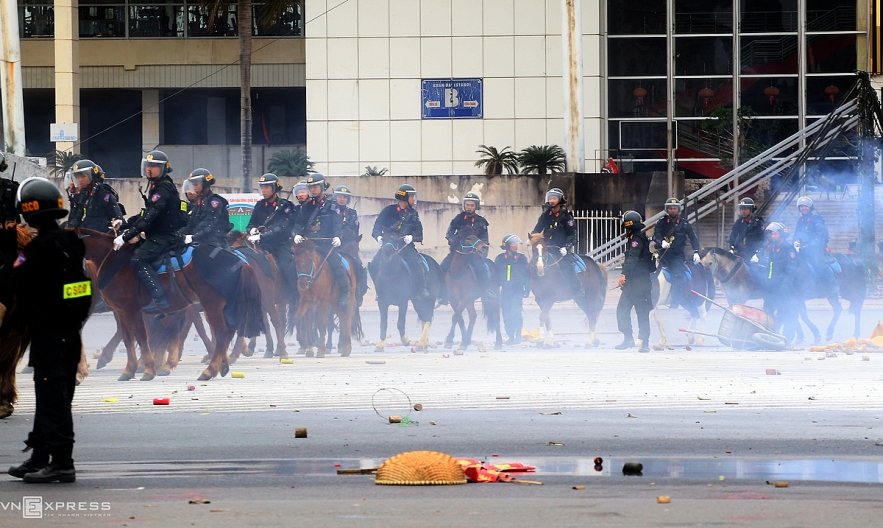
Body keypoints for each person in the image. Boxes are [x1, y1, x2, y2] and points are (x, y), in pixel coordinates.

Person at [2, 177, 92, 483]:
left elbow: (19, 288)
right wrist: (72, 319)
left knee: (52, 399)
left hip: (48, 335)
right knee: (52, 396)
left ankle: (62, 463)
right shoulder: (72, 243)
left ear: (29, 213)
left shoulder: (38, 249)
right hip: (69, 333)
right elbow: (81, 292)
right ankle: (39, 456)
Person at [113, 150, 186, 312]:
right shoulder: (156, 187)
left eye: (154, 166)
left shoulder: (163, 189)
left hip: (164, 236)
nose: (149, 169)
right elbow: (144, 214)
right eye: (148, 165)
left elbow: (149, 218)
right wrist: (123, 223)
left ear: (164, 169)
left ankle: (159, 299)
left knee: (138, 260)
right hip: (157, 234)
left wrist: (125, 237)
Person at [293, 173, 351, 307]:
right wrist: (296, 233)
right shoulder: (307, 206)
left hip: (326, 244)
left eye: (315, 187)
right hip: (308, 245)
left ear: (323, 187)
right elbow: (298, 223)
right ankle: (294, 293)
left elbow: (337, 223)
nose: (312, 190)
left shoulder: (332, 205)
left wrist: (338, 237)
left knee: (337, 265)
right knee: (293, 265)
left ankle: (344, 292)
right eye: (310, 187)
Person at [371, 184, 429, 297]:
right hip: (389, 245)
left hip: (405, 246)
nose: (414, 199)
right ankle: (379, 290)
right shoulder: (388, 211)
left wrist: (412, 238)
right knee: (373, 264)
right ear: (405, 198)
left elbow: (419, 233)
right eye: (412, 196)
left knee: (417, 263)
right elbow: (377, 225)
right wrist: (378, 236)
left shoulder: (414, 214)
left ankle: (420, 288)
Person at [246, 173, 297, 300]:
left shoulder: (285, 206)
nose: (264, 190)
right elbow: (250, 224)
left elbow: (280, 228)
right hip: (261, 245)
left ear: (275, 188)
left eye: (267, 187)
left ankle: (294, 296)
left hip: (279, 244)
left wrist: (262, 237)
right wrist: (252, 230)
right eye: (262, 187)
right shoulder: (259, 205)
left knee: (287, 267)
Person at [438, 192, 494, 304]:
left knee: (481, 267)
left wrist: (480, 245)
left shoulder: (481, 221)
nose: (469, 207)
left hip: (473, 253)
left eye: (472, 205)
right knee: (443, 267)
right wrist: (454, 241)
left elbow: (484, 238)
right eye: (467, 205)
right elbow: (449, 233)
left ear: (476, 206)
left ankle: (485, 291)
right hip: (458, 251)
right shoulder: (458, 219)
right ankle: (443, 294)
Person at [530, 188, 584, 298]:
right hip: (546, 248)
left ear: (560, 200)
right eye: (550, 198)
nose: (552, 201)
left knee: (567, 266)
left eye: (554, 198)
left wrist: (566, 247)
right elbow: (537, 230)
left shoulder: (566, 216)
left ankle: (577, 289)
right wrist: (531, 238)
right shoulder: (545, 215)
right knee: (533, 264)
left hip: (561, 249)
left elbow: (572, 234)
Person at [749, 222, 797, 342]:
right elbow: (771, 268)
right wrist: (756, 264)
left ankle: (787, 340)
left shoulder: (788, 250)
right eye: (771, 234)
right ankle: (770, 337)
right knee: (767, 314)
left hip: (784, 290)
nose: (772, 237)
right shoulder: (773, 249)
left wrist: (782, 288)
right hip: (772, 288)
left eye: (775, 234)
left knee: (787, 314)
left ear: (781, 235)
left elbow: (790, 271)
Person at [652, 198, 701, 309]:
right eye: (670, 208)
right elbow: (655, 235)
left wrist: (696, 252)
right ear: (667, 209)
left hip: (676, 257)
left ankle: (675, 301)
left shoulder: (684, 224)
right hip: (662, 255)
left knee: (678, 276)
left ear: (678, 210)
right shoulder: (662, 222)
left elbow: (693, 238)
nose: (672, 210)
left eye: (674, 208)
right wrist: (662, 241)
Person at [615, 211, 653, 353]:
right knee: (622, 310)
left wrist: (623, 274)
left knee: (642, 312)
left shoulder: (637, 239)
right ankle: (628, 338)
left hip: (640, 282)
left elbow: (632, 258)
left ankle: (645, 342)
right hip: (631, 283)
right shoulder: (633, 237)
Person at [792, 196, 837, 295]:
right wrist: (795, 242)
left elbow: (823, 235)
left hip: (816, 249)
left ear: (810, 207)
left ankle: (833, 285)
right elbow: (796, 234)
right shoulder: (800, 221)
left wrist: (811, 245)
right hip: (802, 250)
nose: (803, 208)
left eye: (805, 206)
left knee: (818, 263)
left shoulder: (816, 220)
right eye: (801, 206)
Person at [331, 184, 368, 306]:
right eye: (339, 196)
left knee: (359, 266)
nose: (342, 199)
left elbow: (354, 230)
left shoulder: (352, 213)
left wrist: (343, 232)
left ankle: (358, 292)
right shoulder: (329, 211)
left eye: (344, 197)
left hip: (348, 245)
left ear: (348, 199)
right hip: (331, 244)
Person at [180, 168, 232, 248]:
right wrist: (178, 235)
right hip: (201, 238)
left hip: (215, 240)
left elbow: (209, 225)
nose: (193, 188)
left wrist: (193, 237)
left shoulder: (214, 202)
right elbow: (191, 224)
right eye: (192, 185)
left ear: (205, 185)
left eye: (196, 185)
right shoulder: (200, 201)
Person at [68, 160, 124, 232]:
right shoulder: (82, 194)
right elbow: (76, 217)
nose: (80, 180)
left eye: (83, 176)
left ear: (92, 175)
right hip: (86, 234)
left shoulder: (103, 192)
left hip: (102, 236)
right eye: (77, 177)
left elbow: (117, 218)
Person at [494, 234, 530, 344]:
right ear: (507, 246)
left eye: (516, 244)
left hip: (517, 290)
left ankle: (518, 335)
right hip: (505, 291)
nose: (516, 246)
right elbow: (495, 276)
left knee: (516, 312)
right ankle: (510, 336)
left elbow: (527, 275)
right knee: (506, 313)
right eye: (514, 244)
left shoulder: (522, 258)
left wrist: (527, 289)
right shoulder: (500, 259)